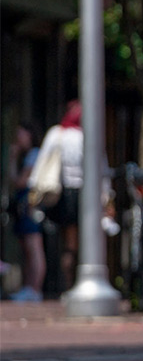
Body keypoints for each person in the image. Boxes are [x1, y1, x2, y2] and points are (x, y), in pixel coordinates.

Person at [36, 101, 85, 289]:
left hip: (62, 192)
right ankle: (73, 283)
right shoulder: (86, 135)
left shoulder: (57, 133)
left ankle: (68, 284)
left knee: (68, 242)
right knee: (78, 242)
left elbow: (42, 162)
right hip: (83, 193)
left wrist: (34, 192)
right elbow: (100, 168)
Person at [8, 122, 46, 301]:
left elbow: (19, 181)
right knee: (28, 247)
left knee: (33, 246)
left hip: (30, 203)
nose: (18, 138)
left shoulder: (34, 154)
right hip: (26, 203)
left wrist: (12, 159)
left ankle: (34, 288)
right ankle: (30, 287)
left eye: (20, 134)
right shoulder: (30, 155)